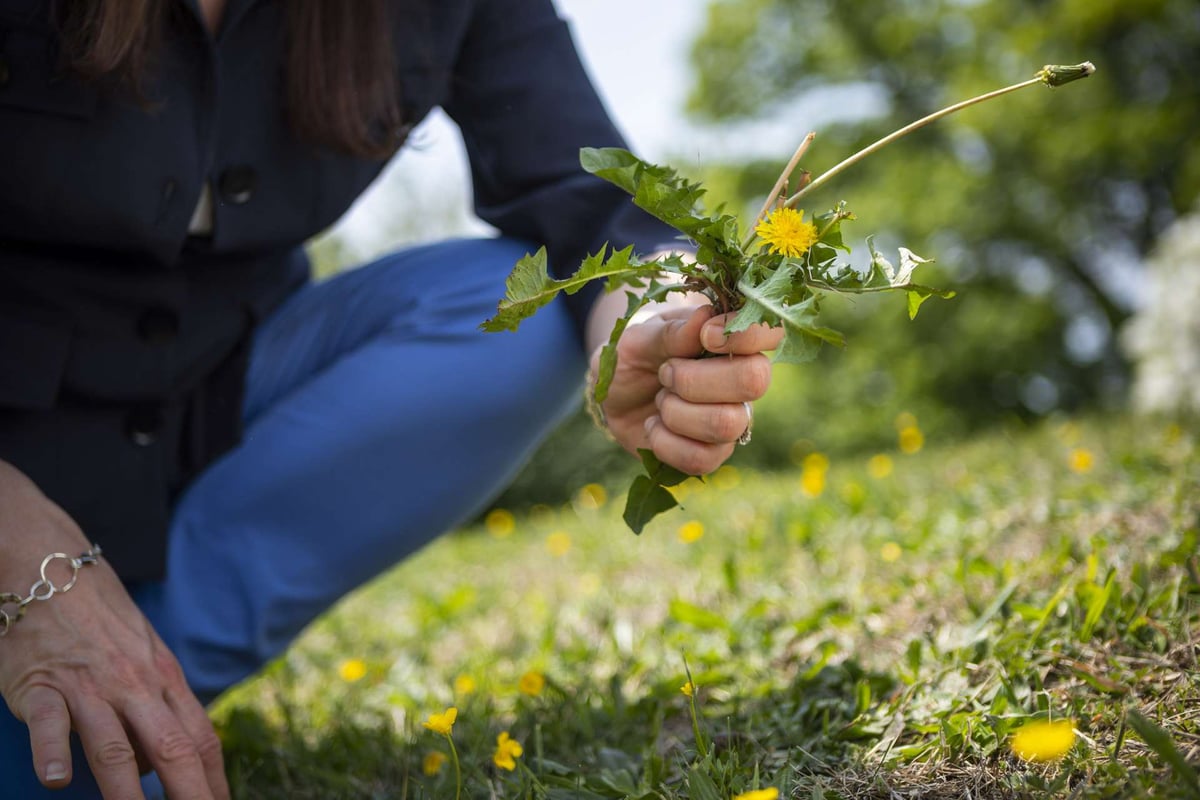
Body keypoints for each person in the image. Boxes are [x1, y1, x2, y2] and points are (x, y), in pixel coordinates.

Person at [0, 1, 782, 797]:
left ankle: (154, 669)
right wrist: (17, 548)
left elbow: (589, 207)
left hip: (224, 392)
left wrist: (653, 319)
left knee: (519, 305)